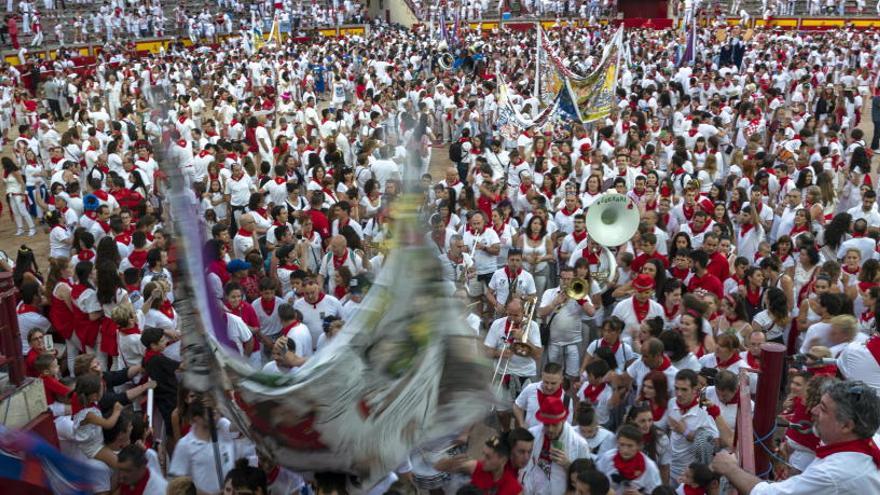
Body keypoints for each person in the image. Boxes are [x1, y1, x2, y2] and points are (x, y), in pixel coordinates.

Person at [712, 380, 880, 494]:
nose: (813, 412)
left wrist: (729, 468)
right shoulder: (874, 440)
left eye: (823, 408)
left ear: (847, 426)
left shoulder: (833, 473)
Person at [521, 395, 592, 495]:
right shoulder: (532, 434)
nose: (550, 429)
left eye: (555, 424)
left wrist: (568, 465)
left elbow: (587, 479)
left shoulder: (579, 444)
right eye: (546, 424)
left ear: (563, 420)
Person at [595, 424, 662, 493]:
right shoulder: (607, 458)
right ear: (617, 443)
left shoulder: (650, 467)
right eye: (622, 444)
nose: (625, 450)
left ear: (639, 446)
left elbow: (657, 492)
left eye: (630, 446)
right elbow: (595, 484)